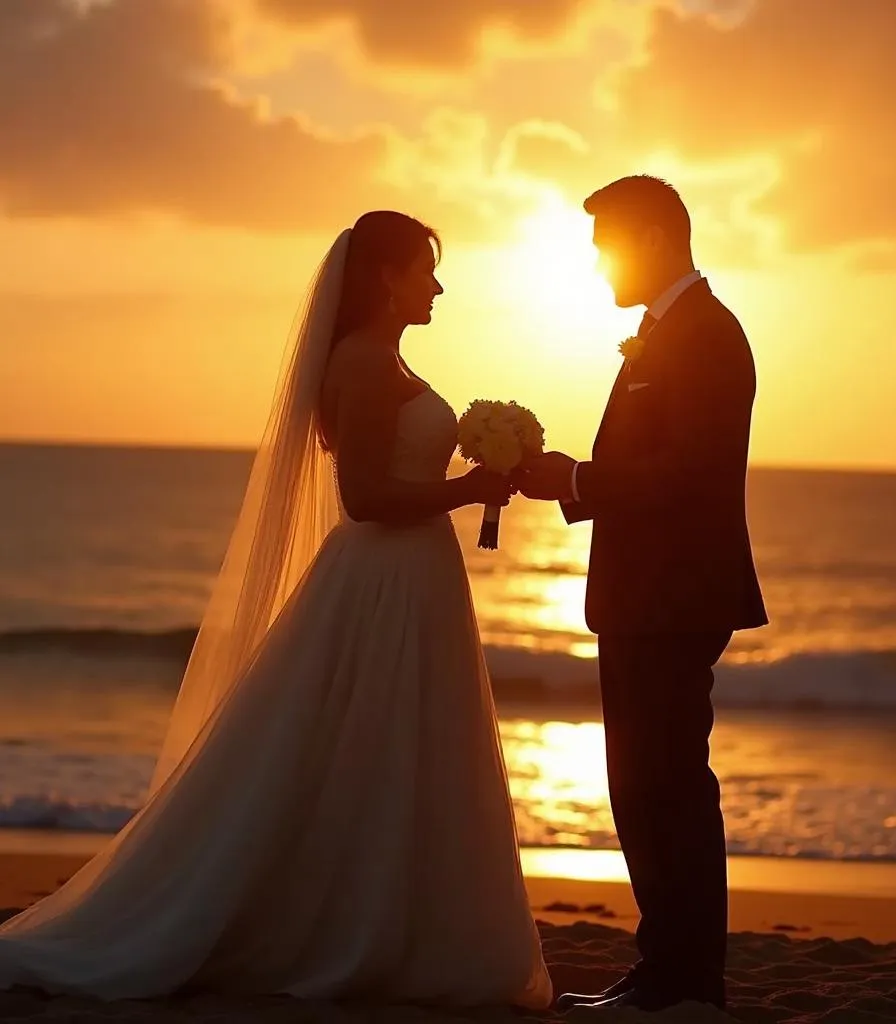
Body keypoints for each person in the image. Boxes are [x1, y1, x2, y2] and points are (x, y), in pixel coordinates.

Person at [0, 212, 551, 1010]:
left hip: (418, 579)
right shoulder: (361, 364)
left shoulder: (387, 360)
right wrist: (472, 488)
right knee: (365, 749)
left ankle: (400, 924)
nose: (436, 285)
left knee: (405, 751)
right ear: (385, 276)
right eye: (423, 270)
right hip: (382, 582)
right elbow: (364, 499)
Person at [518, 175, 767, 1013]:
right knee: (640, 784)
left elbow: (687, 475)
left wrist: (577, 478)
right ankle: (665, 967)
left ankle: (684, 979)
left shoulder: (706, 335)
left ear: (654, 239)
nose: (595, 265)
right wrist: (571, 479)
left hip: (674, 599)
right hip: (641, 597)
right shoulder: (666, 334)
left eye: (605, 245)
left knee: (667, 785)